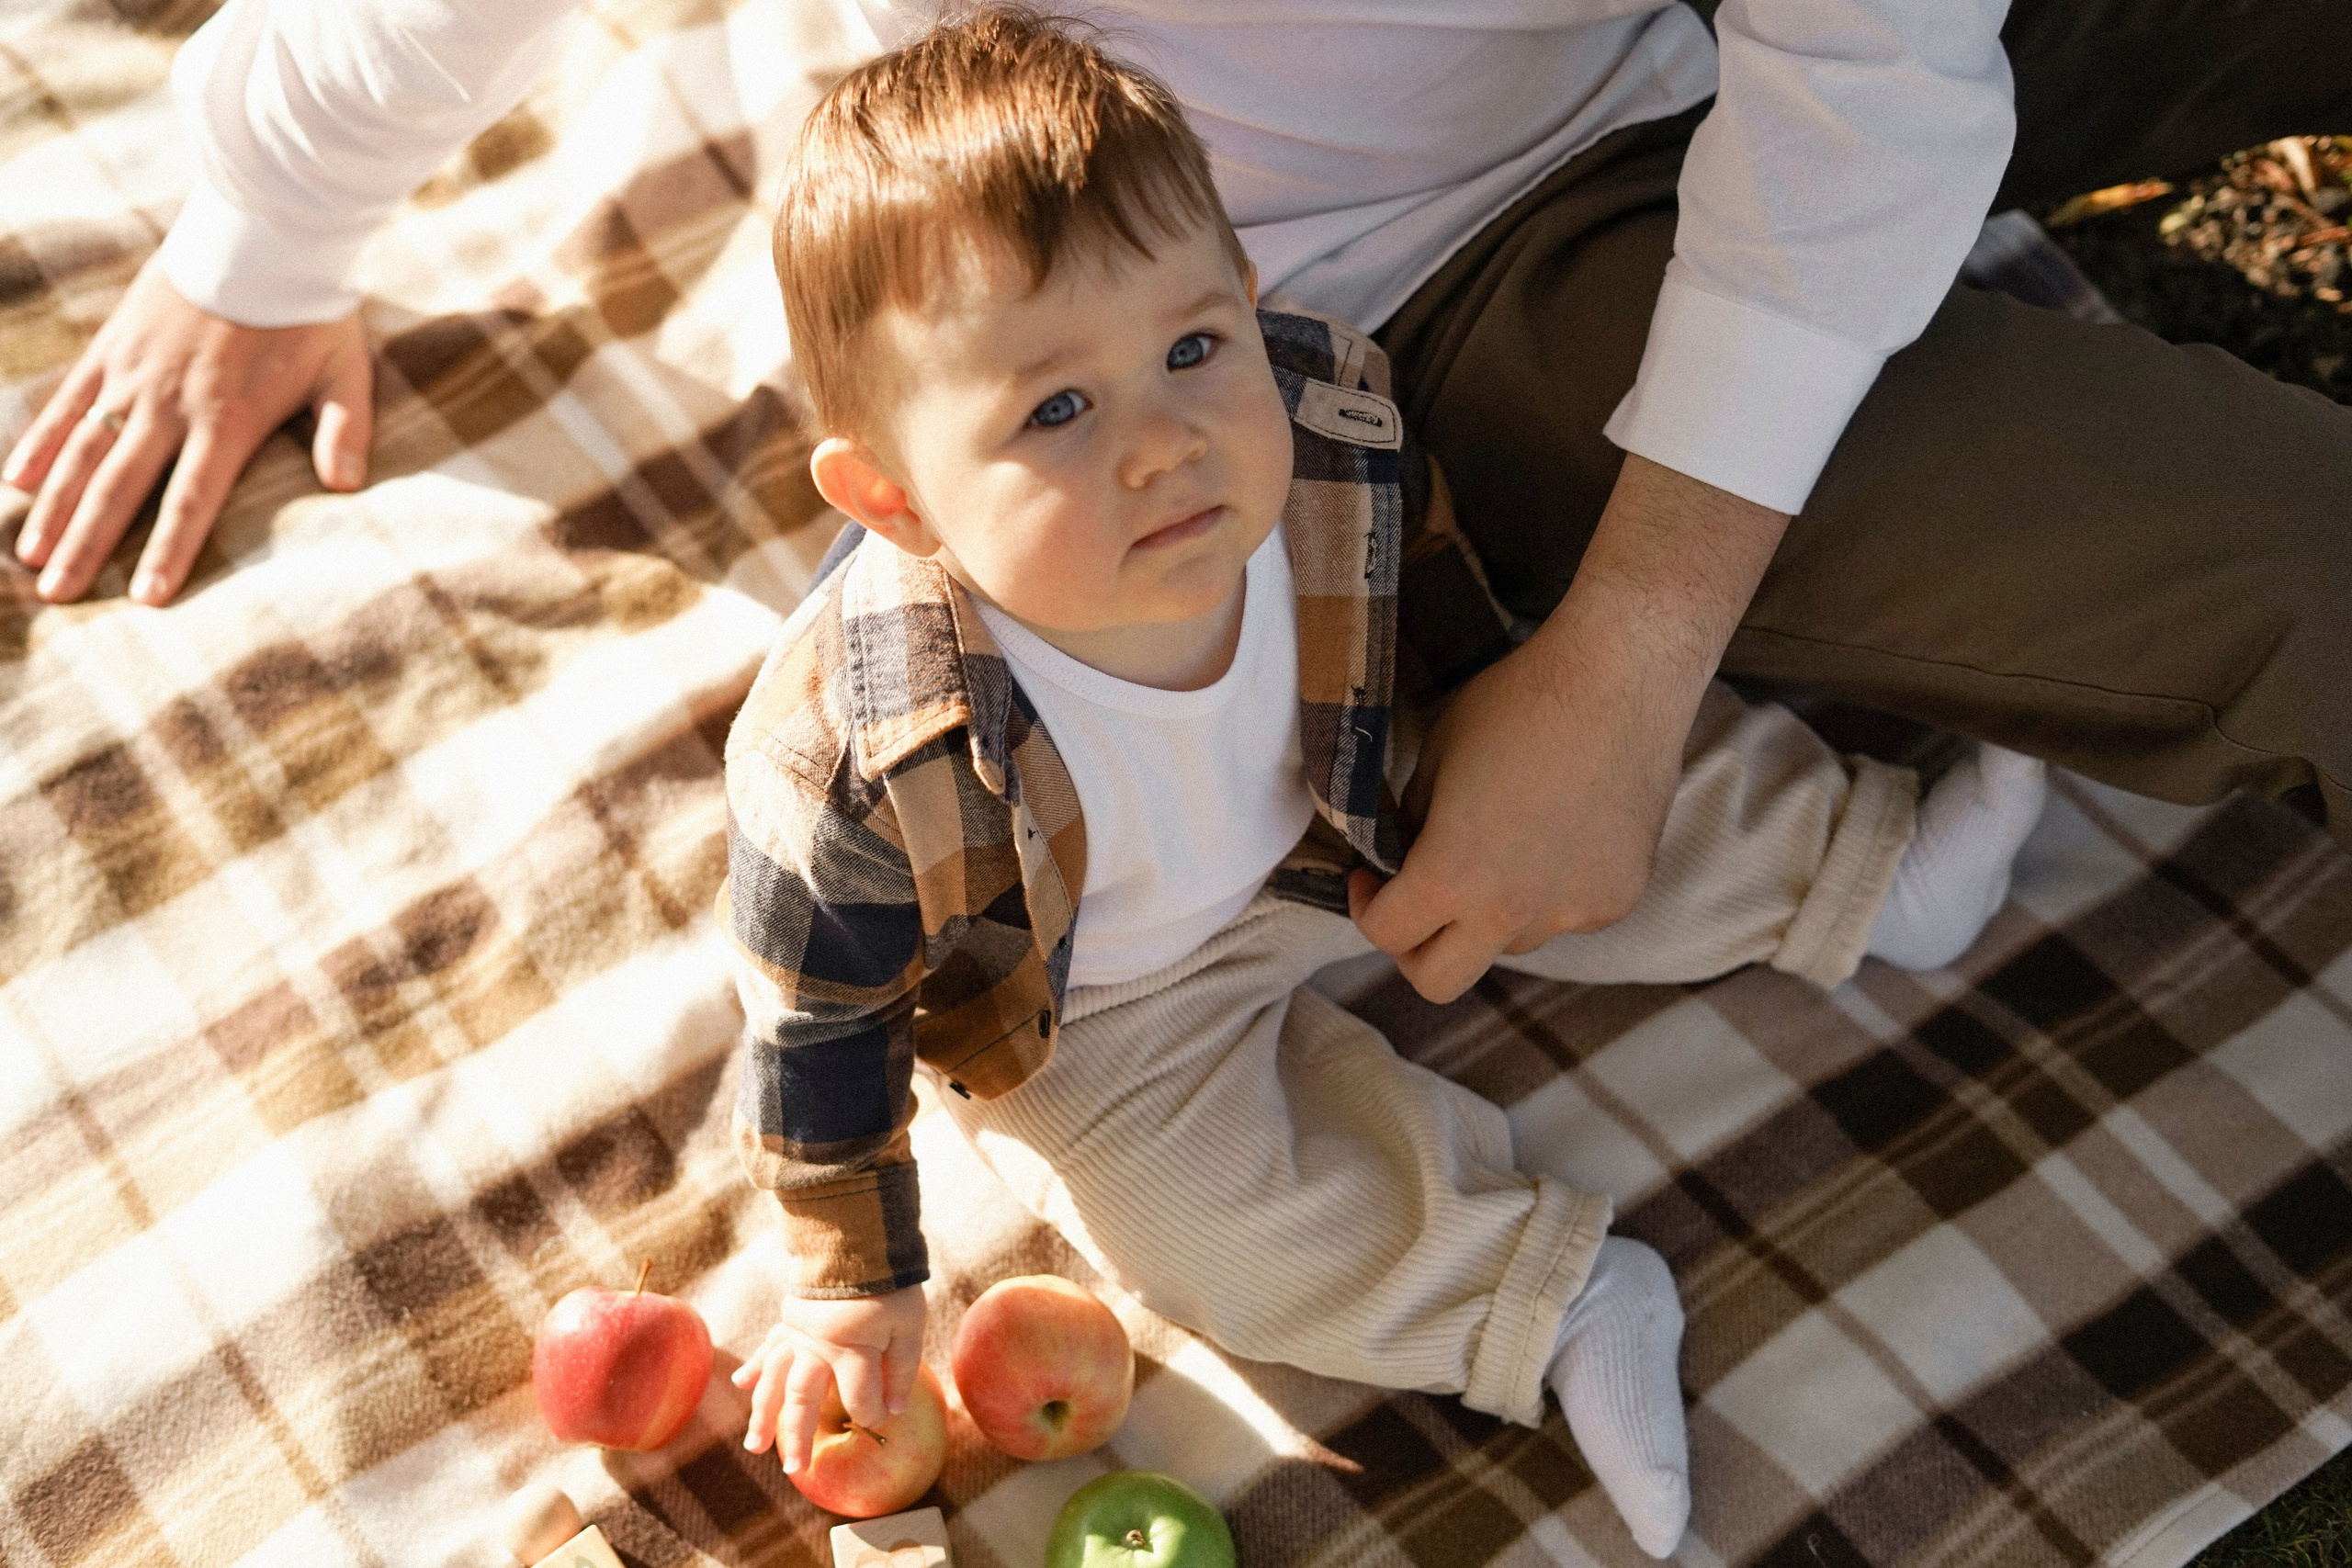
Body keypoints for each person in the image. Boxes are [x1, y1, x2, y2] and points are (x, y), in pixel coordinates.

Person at [8, 0, 2346, 1024]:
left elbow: (1869, 77)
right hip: (1370, 293)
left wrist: (1630, 666)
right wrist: (260, 240)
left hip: (1719, 96)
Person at [714, 12, 2052, 1553]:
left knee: (1575, 785)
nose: (1165, 443)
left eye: (1192, 348)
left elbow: (1431, 600)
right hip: (1098, 1000)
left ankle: (1864, 871)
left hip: (1340, 804)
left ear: (1250, 306)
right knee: (1190, 1221)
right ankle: (1539, 1299)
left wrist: (1510, 721)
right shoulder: (855, 768)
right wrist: (855, 1283)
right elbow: (816, 1036)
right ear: (894, 497)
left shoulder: (1326, 422)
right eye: (1057, 412)